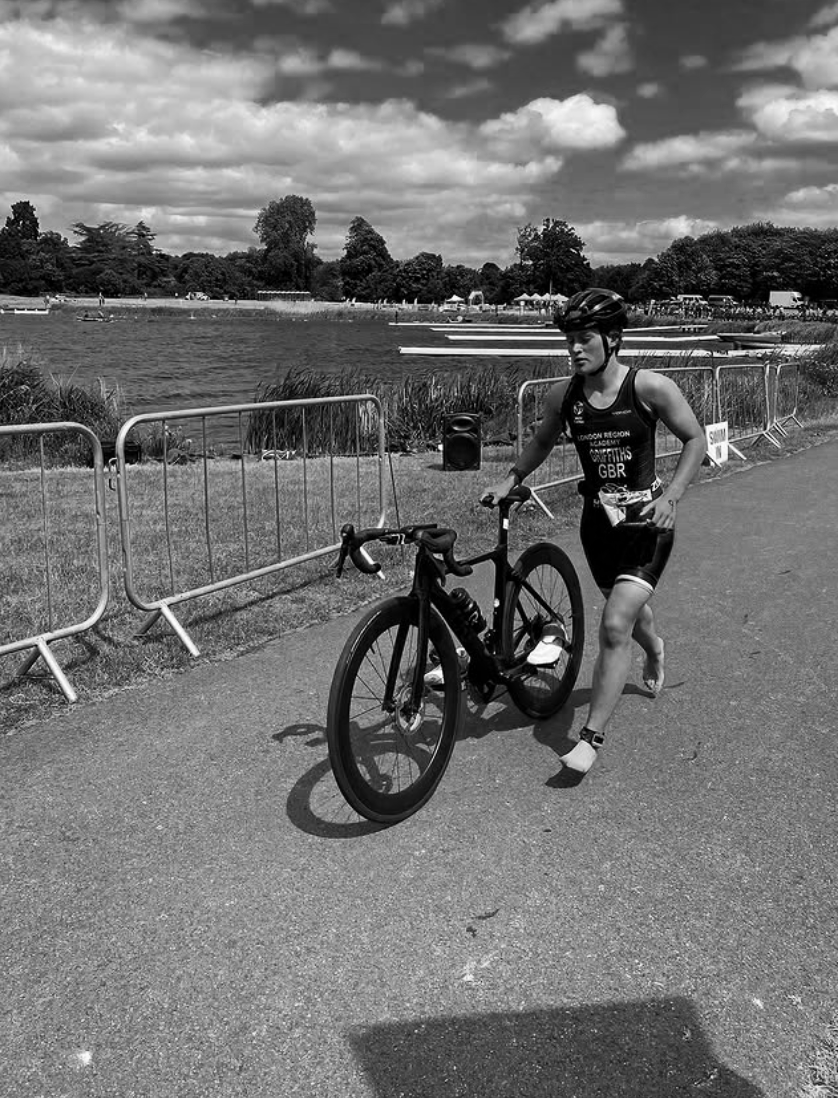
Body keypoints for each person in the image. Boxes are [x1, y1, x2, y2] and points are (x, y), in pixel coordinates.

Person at [482, 288, 707, 776]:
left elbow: (695, 438)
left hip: (647, 524)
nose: (574, 350)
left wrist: (671, 497)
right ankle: (656, 646)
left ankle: (590, 738)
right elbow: (542, 441)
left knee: (613, 623)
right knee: (630, 616)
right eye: (570, 342)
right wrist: (511, 479)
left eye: (584, 339)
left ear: (613, 339)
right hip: (597, 526)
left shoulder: (650, 388)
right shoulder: (564, 396)